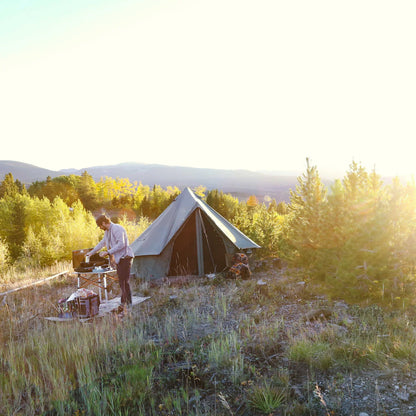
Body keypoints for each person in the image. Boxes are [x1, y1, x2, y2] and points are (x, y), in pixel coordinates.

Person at [87, 214, 134, 308]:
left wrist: (108, 252)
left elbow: (122, 244)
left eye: (100, 225)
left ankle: (127, 303)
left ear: (104, 223)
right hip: (119, 259)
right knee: (122, 281)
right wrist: (91, 252)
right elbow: (102, 243)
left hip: (125, 257)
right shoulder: (107, 232)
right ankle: (125, 302)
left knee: (124, 281)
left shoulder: (117, 228)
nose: (100, 228)